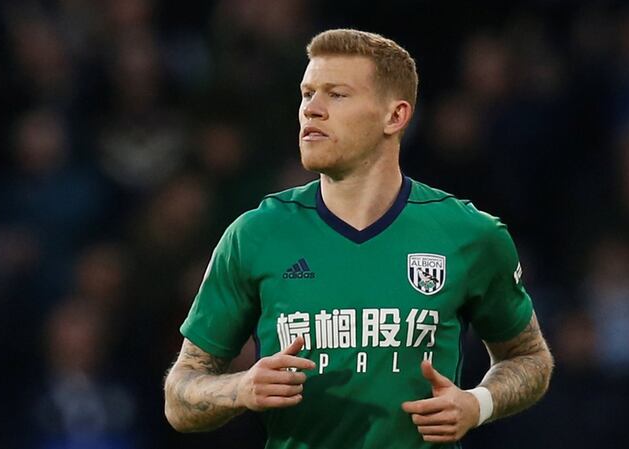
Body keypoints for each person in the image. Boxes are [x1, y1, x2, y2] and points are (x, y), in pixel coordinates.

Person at [164, 29, 554, 448]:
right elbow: (179, 395)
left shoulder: (469, 234)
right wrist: (239, 389)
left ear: (395, 116)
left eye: (336, 94)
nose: (311, 109)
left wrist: (478, 403)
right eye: (306, 93)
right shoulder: (256, 234)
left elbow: (529, 357)